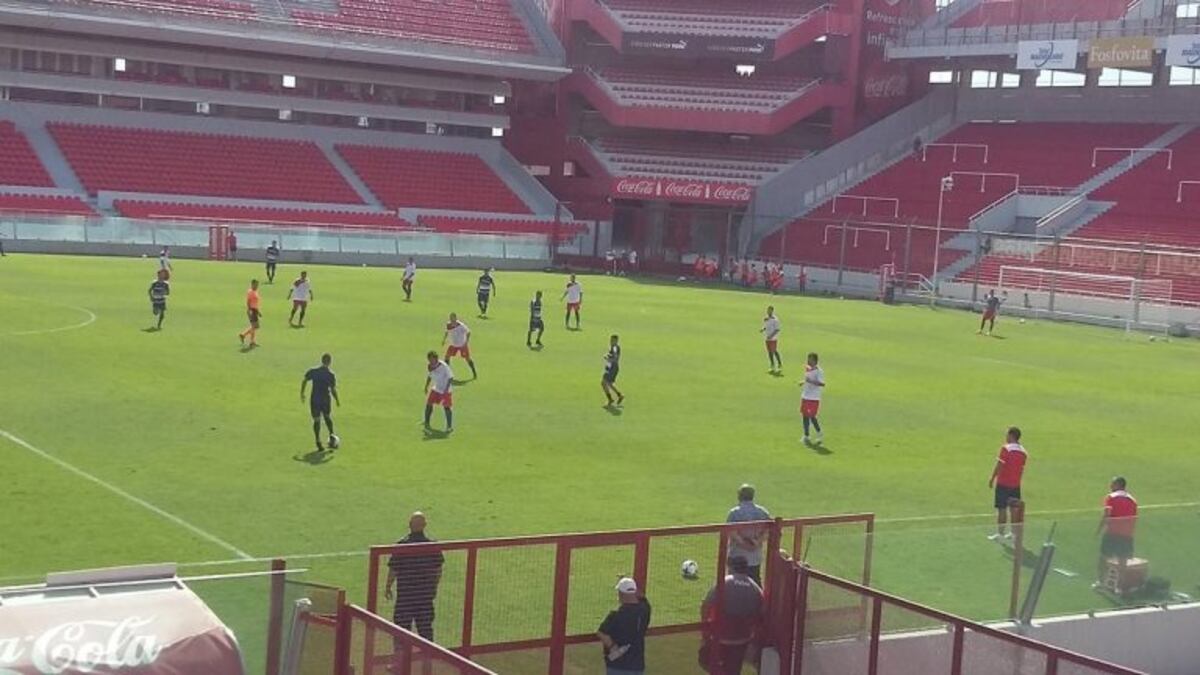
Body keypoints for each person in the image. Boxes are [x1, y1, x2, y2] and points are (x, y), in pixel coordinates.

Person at [385, 512, 445, 644]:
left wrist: (388, 587)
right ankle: (427, 663)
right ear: (424, 525)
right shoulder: (432, 546)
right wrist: (433, 587)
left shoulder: (402, 545)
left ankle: (400, 663)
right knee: (426, 632)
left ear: (409, 525)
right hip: (425, 597)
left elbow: (393, 569)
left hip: (406, 597)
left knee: (401, 632)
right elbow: (438, 570)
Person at [700, 555, 764, 675]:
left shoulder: (724, 582)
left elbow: (705, 604)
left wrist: (705, 631)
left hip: (719, 636)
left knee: (710, 664)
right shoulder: (756, 588)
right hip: (742, 639)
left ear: (731, 567)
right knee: (733, 670)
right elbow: (761, 614)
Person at [598, 577, 651, 675]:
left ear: (621, 594)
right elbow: (642, 597)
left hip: (618, 667)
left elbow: (602, 633)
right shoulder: (645, 610)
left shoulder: (616, 616)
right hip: (637, 667)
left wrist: (613, 647)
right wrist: (630, 586)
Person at [1096, 477, 1138, 587]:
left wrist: (1099, 529)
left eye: (1113, 484)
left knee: (1103, 558)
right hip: (1127, 535)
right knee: (1122, 561)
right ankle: (1120, 585)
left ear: (1118, 485)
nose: (1110, 486)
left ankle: (1101, 582)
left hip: (1112, 533)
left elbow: (1107, 514)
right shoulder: (1132, 500)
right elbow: (1134, 518)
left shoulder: (1111, 497)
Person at [726, 484, 771, 586]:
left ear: (739, 496)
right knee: (755, 585)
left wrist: (744, 544)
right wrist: (757, 542)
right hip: (754, 559)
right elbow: (769, 530)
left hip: (737, 557)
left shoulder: (734, 513)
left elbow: (731, 532)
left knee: (734, 585)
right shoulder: (762, 512)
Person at [988, 427, 1027, 542]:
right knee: (1013, 509)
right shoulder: (1023, 452)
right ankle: (1013, 534)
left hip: (1003, 483)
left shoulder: (1006, 448)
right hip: (1015, 485)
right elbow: (1021, 469)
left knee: (1002, 509)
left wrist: (992, 478)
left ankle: (1000, 534)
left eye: (1007, 435)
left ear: (1011, 435)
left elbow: (999, 465)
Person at [301, 353, 339, 452]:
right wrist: (337, 400)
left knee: (317, 420)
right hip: (325, 399)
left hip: (315, 399)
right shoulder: (330, 375)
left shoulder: (314, 371)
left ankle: (318, 440)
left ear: (322, 361)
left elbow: (305, 380)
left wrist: (302, 393)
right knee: (327, 417)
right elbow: (333, 389)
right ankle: (332, 436)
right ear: (330, 362)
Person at [424, 350, 454, 432]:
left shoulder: (444, 366)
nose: (430, 361)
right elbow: (430, 376)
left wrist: (446, 390)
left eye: (431, 359)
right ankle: (426, 421)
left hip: (445, 390)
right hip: (436, 388)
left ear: (436, 358)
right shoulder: (430, 366)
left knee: (446, 407)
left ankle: (449, 426)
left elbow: (450, 378)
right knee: (429, 404)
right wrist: (426, 386)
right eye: (429, 359)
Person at [442, 312, 477, 379]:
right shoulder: (448, 325)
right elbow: (447, 332)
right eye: (451, 318)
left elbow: (468, 332)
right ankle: (447, 374)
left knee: (467, 358)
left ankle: (474, 373)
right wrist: (444, 340)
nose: (452, 320)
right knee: (447, 357)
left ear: (455, 318)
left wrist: (466, 342)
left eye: (453, 318)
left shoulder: (461, 325)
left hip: (461, 345)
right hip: (453, 344)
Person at [800, 353, 825, 445]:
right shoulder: (808, 369)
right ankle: (806, 435)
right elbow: (807, 379)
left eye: (810, 359)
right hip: (805, 396)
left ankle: (819, 433)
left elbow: (822, 384)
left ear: (814, 360)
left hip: (814, 398)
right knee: (804, 416)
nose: (808, 361)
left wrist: (811, 381)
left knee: (812, 416)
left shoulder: (819, 371)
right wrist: (803, 382)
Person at [238, 279, 262, 347]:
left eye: (257, 285)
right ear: (252, 284)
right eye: (256, 284)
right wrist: (249, 310)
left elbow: (256, 302)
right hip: (252, 310)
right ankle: (251, 341)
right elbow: (248, 301)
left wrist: (258, 311)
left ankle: (244, 335)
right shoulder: (250, 292)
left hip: (255, 310)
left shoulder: (255, 291)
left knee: (254, 326)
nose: (257, 286)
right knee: (254, 326)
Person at [602, 334, 624, 407]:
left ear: (616, 341)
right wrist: (607, 355)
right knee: (606, 383)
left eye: (612, 340)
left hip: (613, 367)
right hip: (611, 367)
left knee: (605, 382)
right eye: (610, 340)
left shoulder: (615, 347)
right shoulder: (613, 347)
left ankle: (611, 399)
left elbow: (615, 358)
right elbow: (611, 355)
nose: (610, 341)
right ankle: (618, 395)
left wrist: (608, 359)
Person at [761, 306, 782, 374]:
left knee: (774, 351)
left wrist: (771, 336)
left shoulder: (775, 319)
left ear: (772, 311)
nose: (768, 311)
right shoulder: (766, 318)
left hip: (773, 339)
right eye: (768, 310)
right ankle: (772, 365)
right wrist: (763, 329)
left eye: (770, 310)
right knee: (769, 352)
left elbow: (777, 329)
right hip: (767, 338)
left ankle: (779, 364)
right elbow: (766, 326)